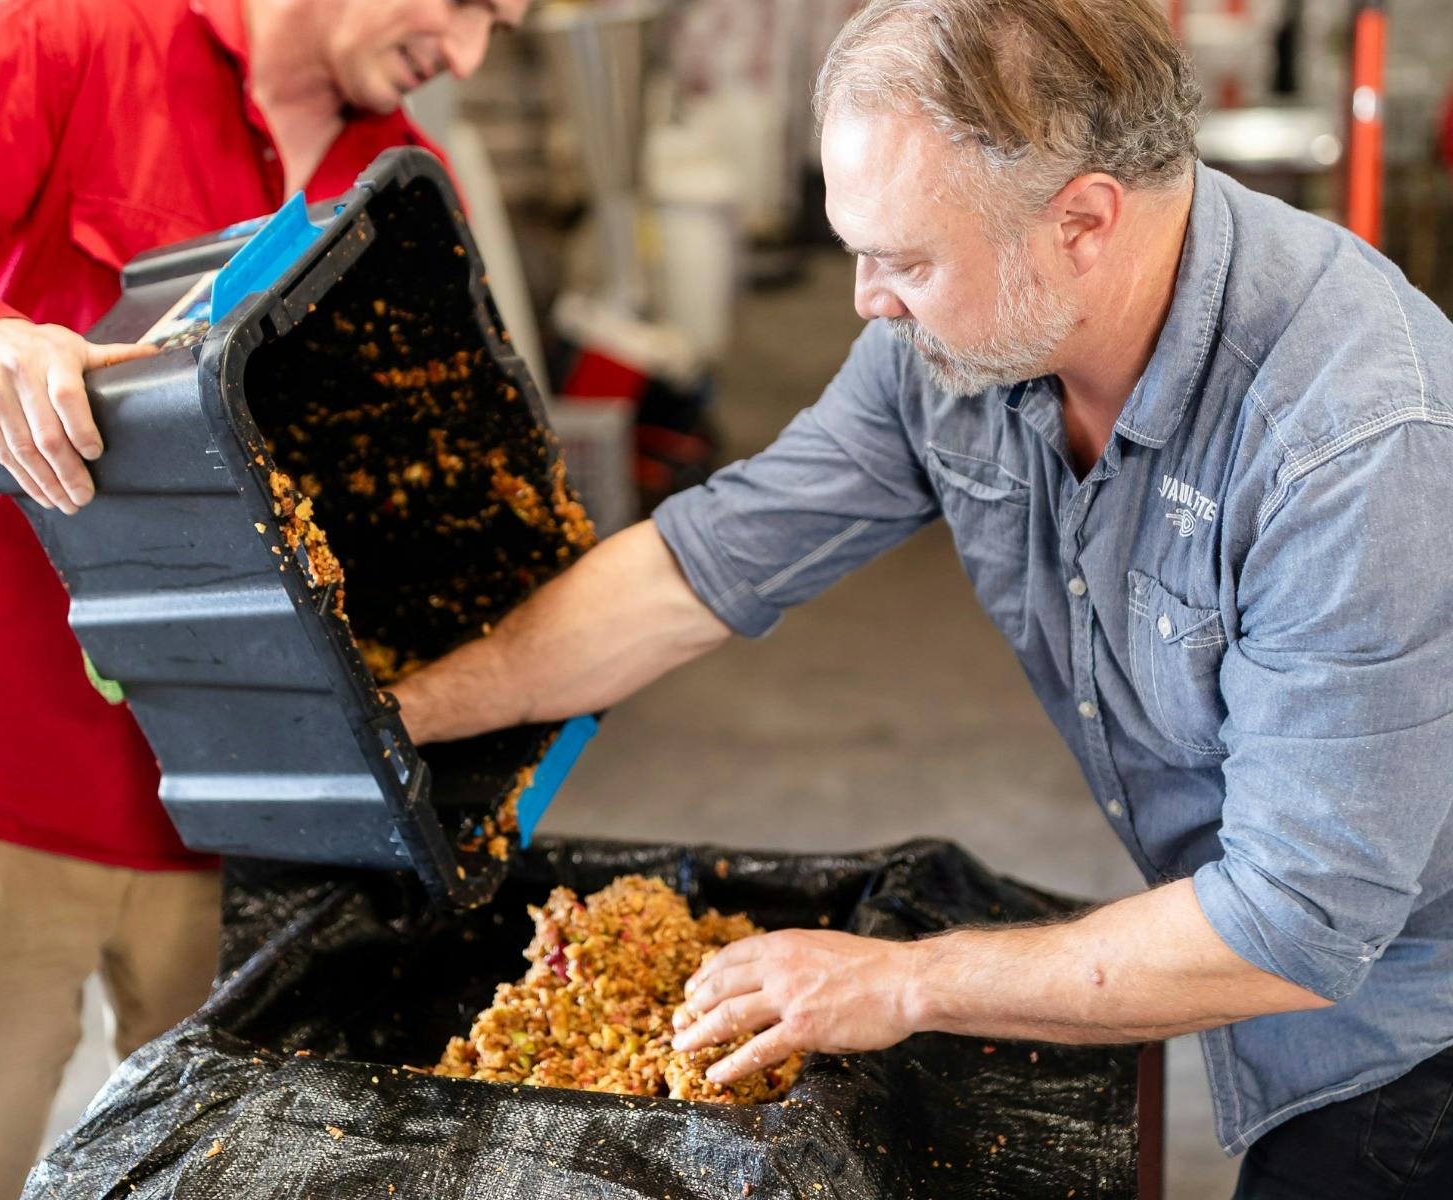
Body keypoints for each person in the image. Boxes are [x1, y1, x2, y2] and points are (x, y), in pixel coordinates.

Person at [392, 0, 1453, 1192]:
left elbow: (1294, 924)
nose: (865, 301)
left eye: (904, 260)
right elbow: (706, 562)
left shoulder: (1352, 440)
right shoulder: (958, 345)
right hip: (1257, 938)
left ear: (1084, 223)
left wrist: (900, 981)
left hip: (1408, 1018)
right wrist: (402, 714)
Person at [0, 1, 526, 1196]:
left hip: (248, 803)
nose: (470, 55)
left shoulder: (398, 186)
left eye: (504, 26)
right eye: (468, 1)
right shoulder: (73, 44)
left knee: (230, 1168)